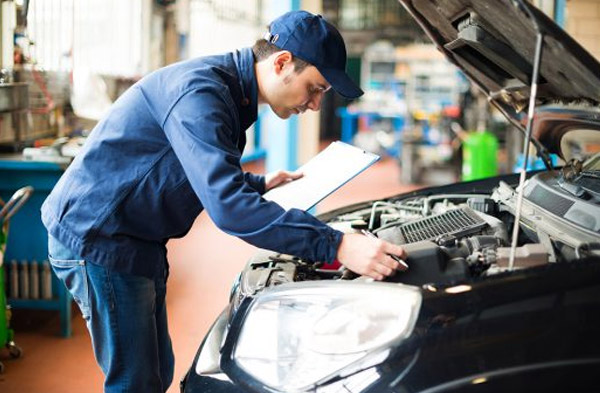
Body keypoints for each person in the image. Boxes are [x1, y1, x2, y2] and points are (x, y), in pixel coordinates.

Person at [41, 10, 407, 393]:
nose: (315, 105)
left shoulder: (232, 94)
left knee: (156, 372)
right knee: (135, 382)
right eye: (315, 88)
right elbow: (229, 208)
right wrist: (337, 244)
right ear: (281, 62)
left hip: (134, 236)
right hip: (99, 237)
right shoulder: (201, 93)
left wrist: (257, 182)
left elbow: (184, 164)